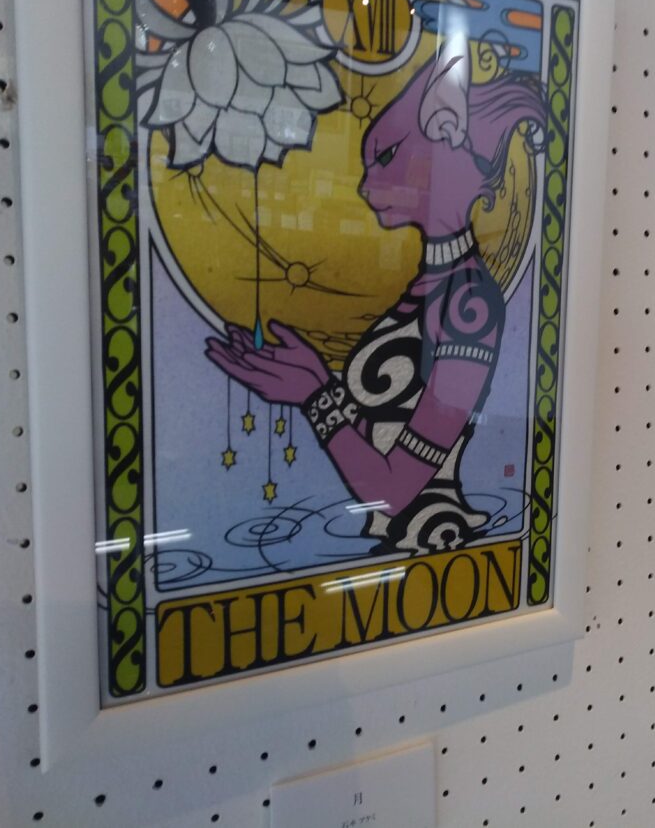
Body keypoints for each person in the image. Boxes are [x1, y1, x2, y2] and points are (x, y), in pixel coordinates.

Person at [206, 34, 546, 555]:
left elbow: (391, 491)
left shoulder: (470, 306)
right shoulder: (435, 287)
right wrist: (313, 379)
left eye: (386, 157)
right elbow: (383, 431)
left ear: (447, 131)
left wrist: (315, 394)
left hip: (429, 539)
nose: (366, 186)